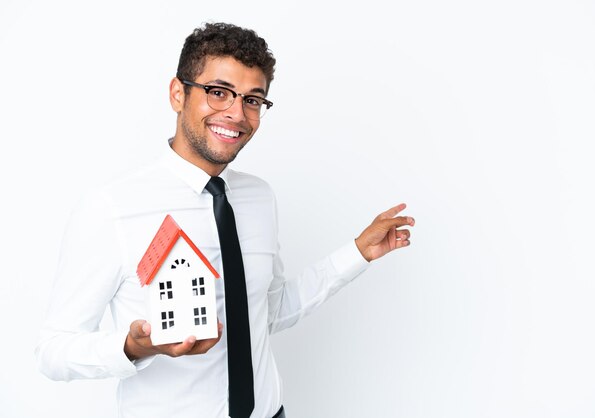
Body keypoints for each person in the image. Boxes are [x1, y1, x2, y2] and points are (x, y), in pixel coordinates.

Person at [35, 22, 414, 418]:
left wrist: (358, 253)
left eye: (253, 99)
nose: (236, 113)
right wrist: (133, 348)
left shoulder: (258, 197)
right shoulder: (112, 208)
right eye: (219, 93)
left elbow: (267, 310)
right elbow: (52, 351)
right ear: (177, 93)